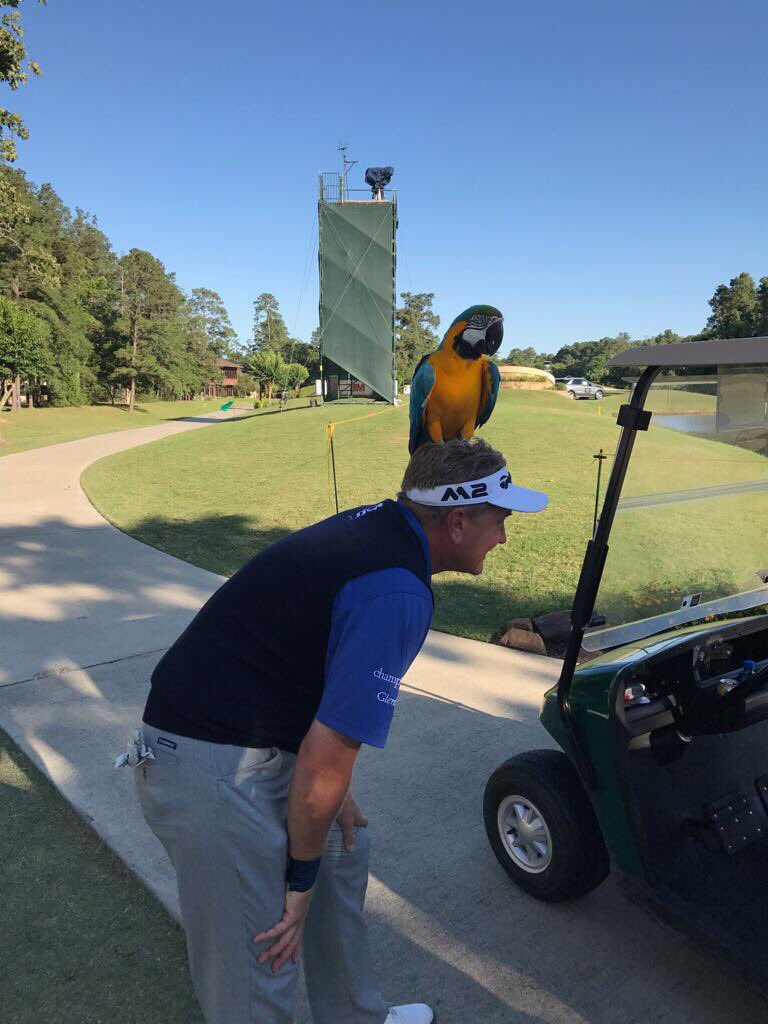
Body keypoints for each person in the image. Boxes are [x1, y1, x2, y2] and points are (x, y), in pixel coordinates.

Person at [132, 438, 548, 1024]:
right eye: (500, 520)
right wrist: (298, 884)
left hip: (251, 741)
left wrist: (329, 803)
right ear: (457, 521)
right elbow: (329, 753)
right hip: (206, 766)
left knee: (344, 849)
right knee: (268, 947)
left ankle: (355, 1016)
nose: (503, 536)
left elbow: (302, 661)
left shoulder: (383, 527)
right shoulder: (398, 589)